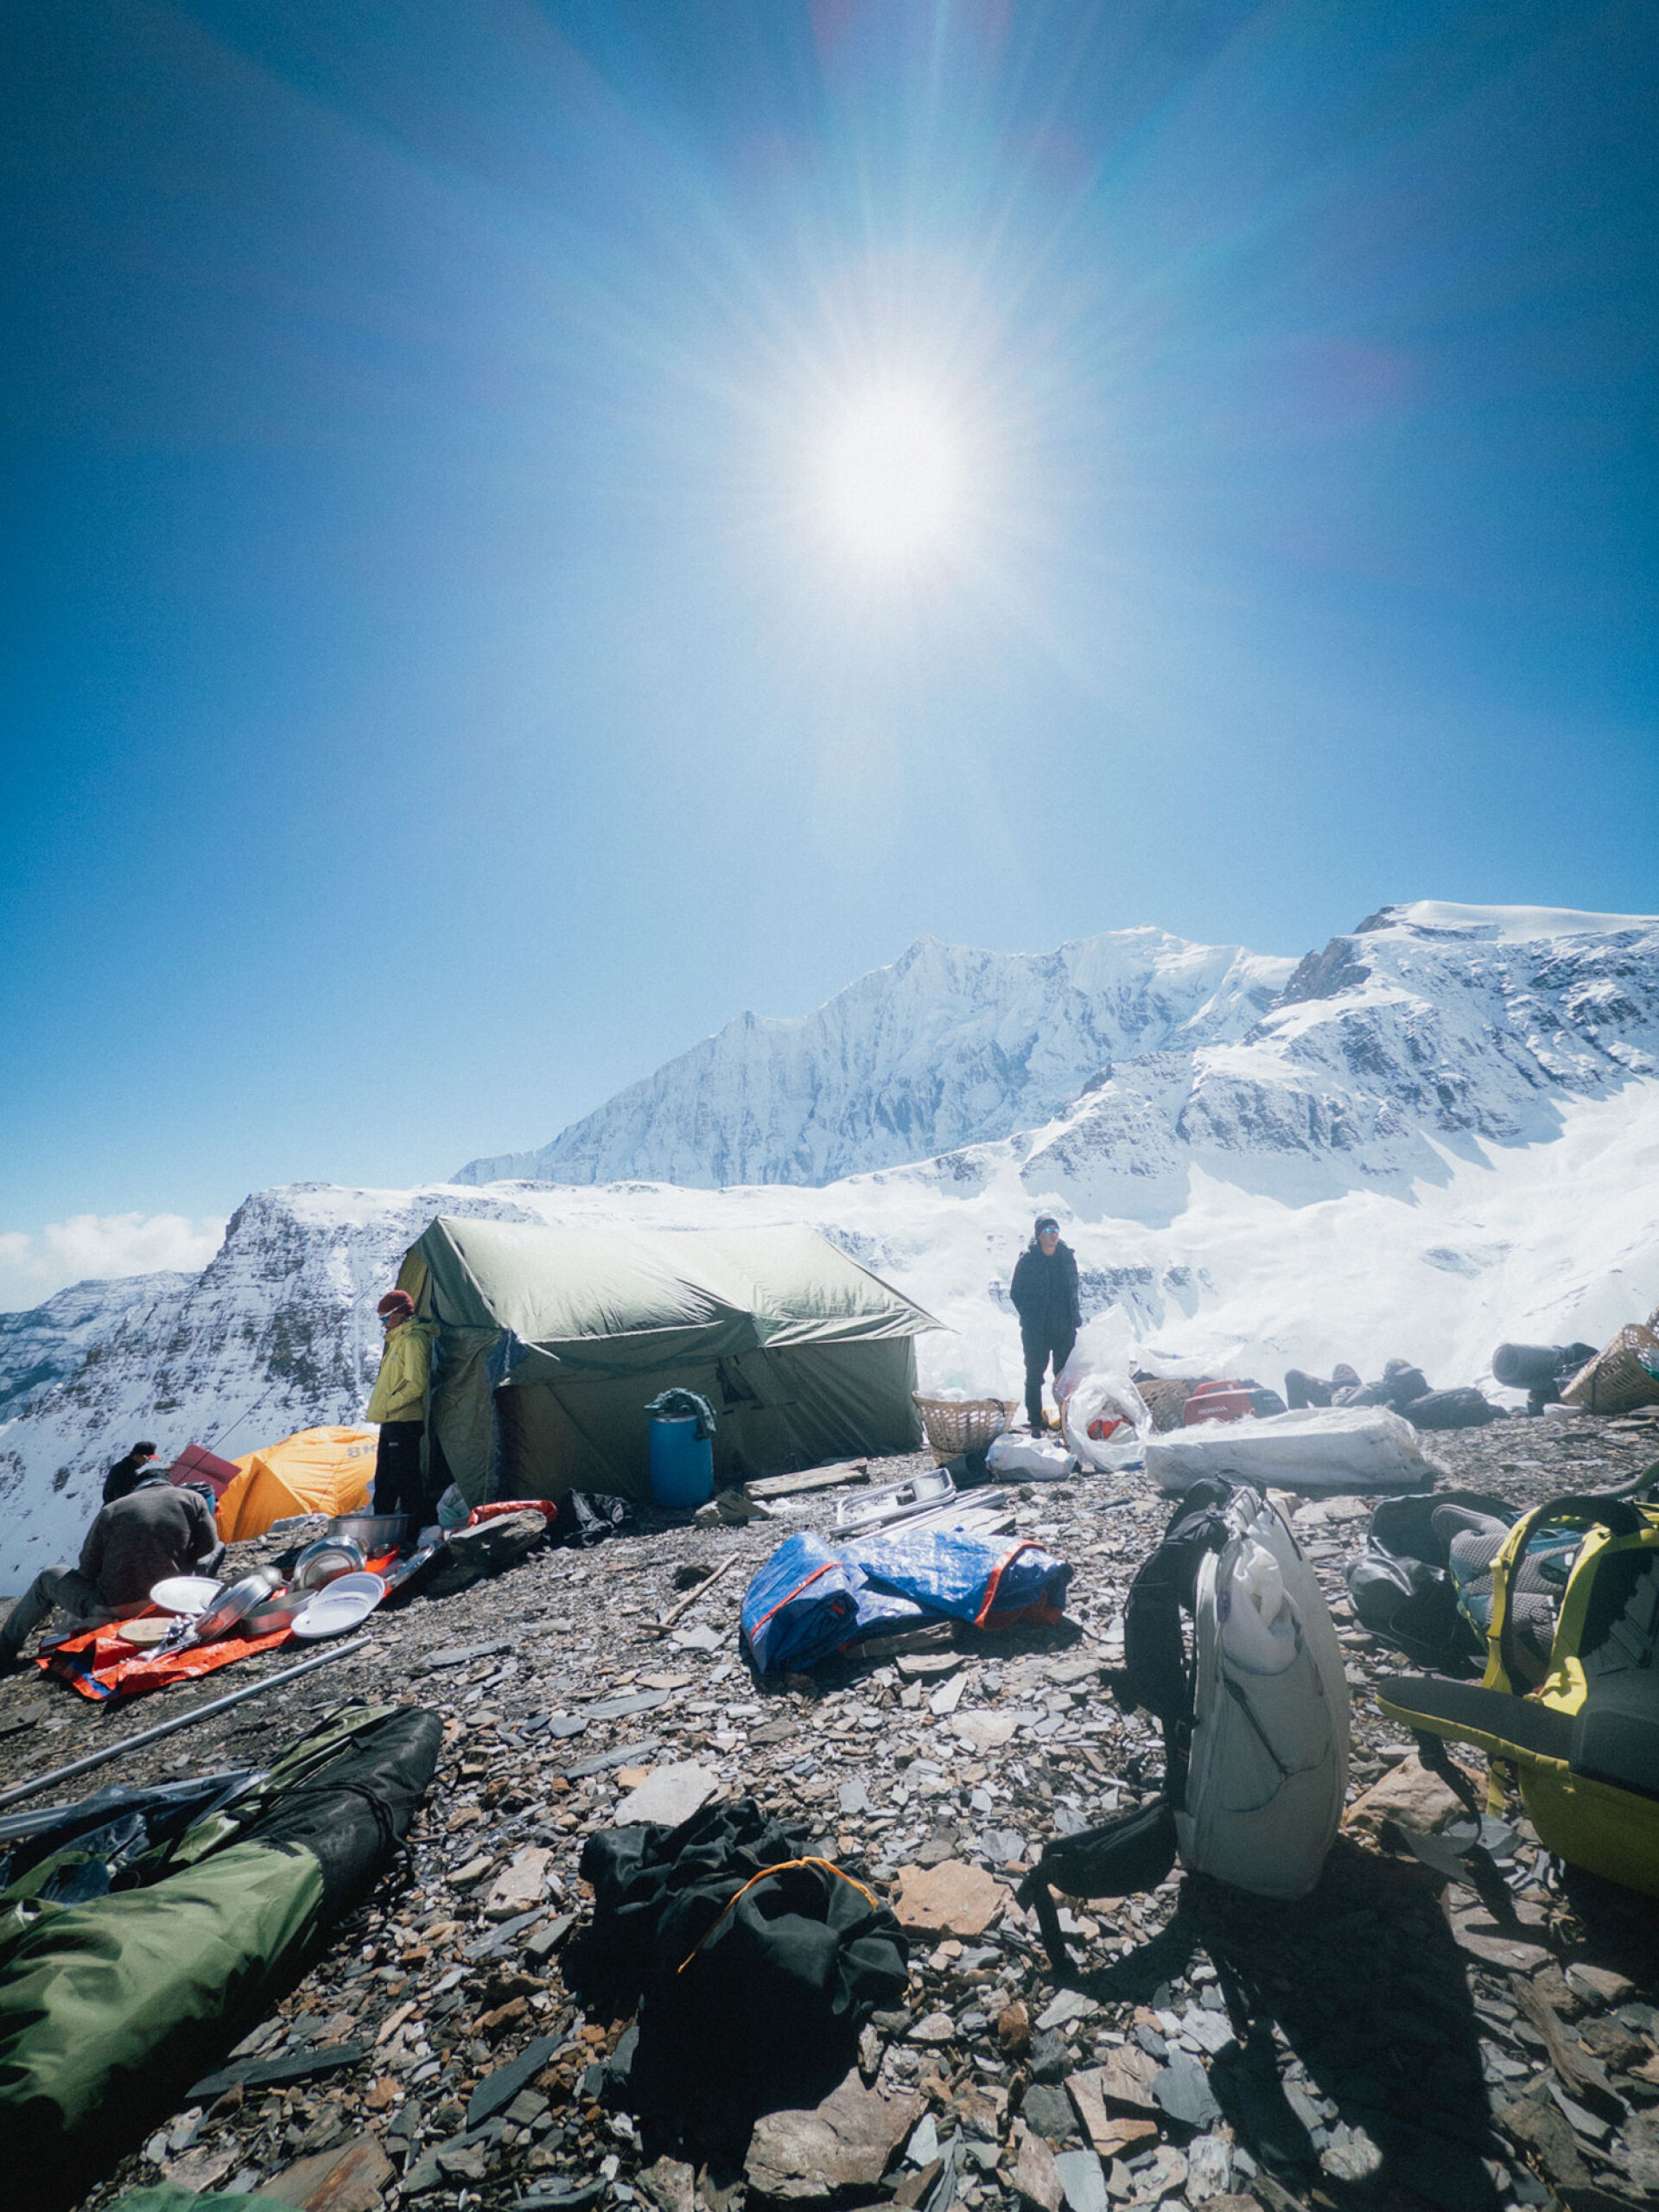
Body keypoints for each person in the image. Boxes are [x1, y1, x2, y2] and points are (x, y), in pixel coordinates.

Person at [0, 1472, 222, 1674]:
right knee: (220, 1547)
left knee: (48, 1577)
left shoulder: (111, 1510)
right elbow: (208, 1546)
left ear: (137, 1489)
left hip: (112, 1609)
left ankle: (5, 1647)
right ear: (167, 1483)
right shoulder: (192, 1498)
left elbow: (87, 1569)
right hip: (171, 1602)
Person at [365, 1287, 437, 1522]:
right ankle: (382, 1529)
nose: (384, 1324)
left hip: (404, 1421)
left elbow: (416, 1384)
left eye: (385, 1318)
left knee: (404, 1479)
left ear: (399, 1314)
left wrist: (388, 1405)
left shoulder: (414, 1340)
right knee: (385, 1478)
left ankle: (412, 1530)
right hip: (391, 1420)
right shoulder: (397, 1340)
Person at [1009, 1212, 1081, 1434]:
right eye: (1048, 1231)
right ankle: (1035, 1421)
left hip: (1064, 1328)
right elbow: (1016, 1292)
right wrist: (1031, 1316)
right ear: (1039, 1235)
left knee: (1065, 1376)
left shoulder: (1067, 1257)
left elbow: (1073, 1290)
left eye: (1056, 1230)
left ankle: (1067, 1418)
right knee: (1034, 1374)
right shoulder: (1028, 1260)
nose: (1053, 1235)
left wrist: (1072, 1319)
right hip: (1036, 1331)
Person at [102, 1440, 160, 1504]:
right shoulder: (124, 1471)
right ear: (137, 1456)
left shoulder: (126, 1468)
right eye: (147, 1458)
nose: (147, 1461)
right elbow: (123, 1498)